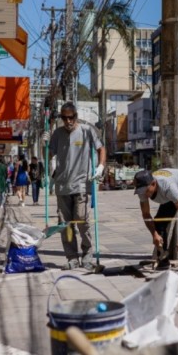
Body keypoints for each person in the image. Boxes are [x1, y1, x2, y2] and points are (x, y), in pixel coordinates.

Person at [44, 102, 106, 270]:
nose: (68, 121)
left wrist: (100, 167)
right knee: (65, 224)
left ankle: (87, 255)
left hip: (81, 184)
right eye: (64, 118)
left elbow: (101, 149)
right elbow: (50, 154)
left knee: (81, 219)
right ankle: (72, 257)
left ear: (76, 116)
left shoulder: (87, 131)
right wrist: (46, 144)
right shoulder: (58, 133)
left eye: (70, 117)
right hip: (62, 185)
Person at [133, 169, 178, 274]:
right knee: (159, 222)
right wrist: (154, 234)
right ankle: (163, 260)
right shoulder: (143, 190)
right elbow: (146, 214)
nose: (144, 194)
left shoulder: (167, 186)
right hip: (169, 195)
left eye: (146, 190)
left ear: (153, 184)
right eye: (141, 191)